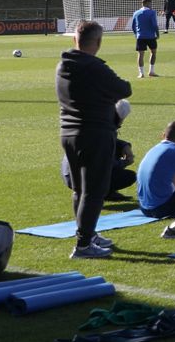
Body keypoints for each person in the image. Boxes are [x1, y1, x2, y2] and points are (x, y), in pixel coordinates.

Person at [55, 21, 133, 259]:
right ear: (98, 42)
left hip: (68, 133)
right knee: (95, 190)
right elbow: (124, 89)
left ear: (74, 40)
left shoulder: (63, 65)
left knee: (80, 190)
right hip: (94, 133)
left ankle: (87, 234)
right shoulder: (95, 68)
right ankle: (83, 244)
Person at [131, 0, 160, 78]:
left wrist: (136, 34)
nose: (151, 6)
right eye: (150, 4)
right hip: (151, 36)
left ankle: (141, 73)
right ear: (147, 3)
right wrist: (157, 34)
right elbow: (154, 25)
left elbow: (133, 26)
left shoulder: (136, 13)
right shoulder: (152, 12)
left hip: (140, 36)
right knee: (153, 52)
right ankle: (151, 71)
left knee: (140, 54)